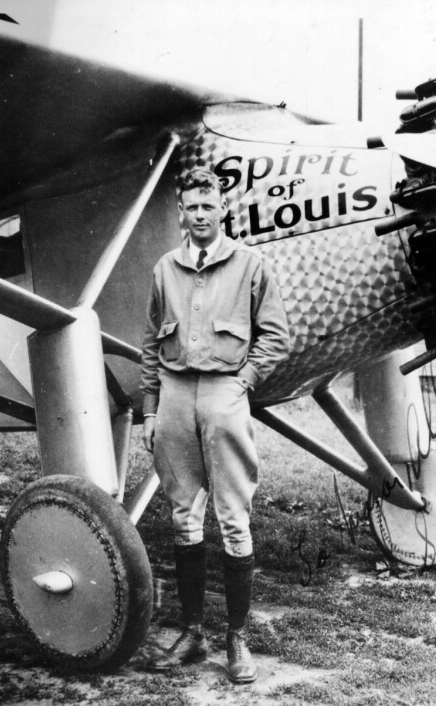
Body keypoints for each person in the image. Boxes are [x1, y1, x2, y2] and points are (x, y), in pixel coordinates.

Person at [140, 168, 290, 683]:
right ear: (181, 212)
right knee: (184, 516)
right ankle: (192, 631)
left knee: (232, 519)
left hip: (226, 392)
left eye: (209, 206)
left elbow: (275, 335)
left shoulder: (250, 264)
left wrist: (243, 381)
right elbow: (150, 347)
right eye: (192, 207)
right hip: (176, 396)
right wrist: (150, 409)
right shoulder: (165, 269)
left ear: (222, 209)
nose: (200, 216)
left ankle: (236, 638)